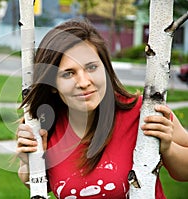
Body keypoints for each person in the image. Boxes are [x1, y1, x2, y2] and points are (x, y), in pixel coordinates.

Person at [16, 18, 188, 198]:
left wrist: (168, 149)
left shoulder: (144, 114)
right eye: (68, 73)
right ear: (52, 83)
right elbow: (42, 184)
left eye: (91, 67)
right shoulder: (45, 126)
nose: (83, 82)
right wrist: (29, 164)